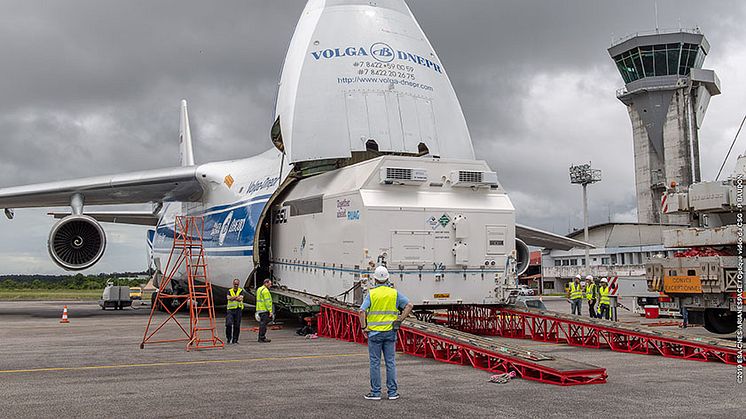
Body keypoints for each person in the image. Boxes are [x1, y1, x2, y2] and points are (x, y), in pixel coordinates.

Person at [359, 266, 413, 401]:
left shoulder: (372, 294)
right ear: (387, 278)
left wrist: (363, 327)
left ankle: (376, 393)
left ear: (375, 279)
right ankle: (392, 393)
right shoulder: (394, 293)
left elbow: (361, 311)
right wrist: (400, 319)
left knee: (375, 363)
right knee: (390, 362)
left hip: (374, 334)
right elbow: (409, 305)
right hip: (390, 332)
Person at [226, 278, 245, 344]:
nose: (236, 285)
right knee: (228, 324)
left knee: (237, 325)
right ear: (233, 284)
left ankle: (235, 339)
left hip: (238, 309)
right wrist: (236, 297)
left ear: (238, 284)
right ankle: (228, 338)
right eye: (235, 284)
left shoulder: (241, 290)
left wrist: (233, 298)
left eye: (237, 284)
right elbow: (228, 298)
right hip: (230, 310)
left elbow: (240, 299)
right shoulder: (229, 290)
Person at [256, 278, 274, 343]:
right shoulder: (266, 291)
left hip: (259, 309)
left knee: (262, 324)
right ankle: (262, 337)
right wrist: (270, 311)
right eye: (269, 284)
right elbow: (267, 302)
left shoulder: (259, 289)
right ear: (266, 283)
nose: (270, 285)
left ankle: (261, 337)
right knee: (263, 325)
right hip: (264, 310)